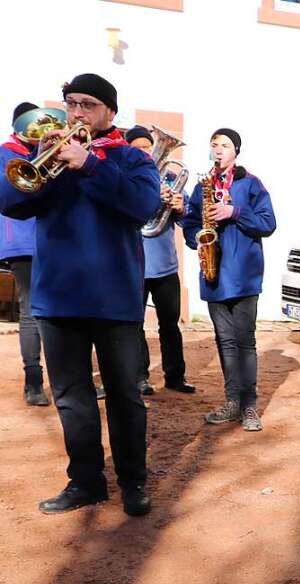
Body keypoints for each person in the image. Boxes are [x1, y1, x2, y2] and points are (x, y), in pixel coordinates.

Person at [1, 74, 160, 516]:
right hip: (57, 297)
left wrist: (89, 165)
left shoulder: (130, 157)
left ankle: (133, 482)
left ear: (110, 112)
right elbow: (11, 203)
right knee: (72, 398)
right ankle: (85, 482)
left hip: (115, 299)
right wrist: (39, 160)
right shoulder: (47, 156)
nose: (76, 113)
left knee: (125, 397)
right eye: (71, 103)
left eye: (88, 105)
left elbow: (143, 207)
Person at [182, 128, 277, 431]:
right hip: (213, 275)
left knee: (244, 341)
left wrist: (234, 211)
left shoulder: (251, 183)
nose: (219, 150)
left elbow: (268, 223)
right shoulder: (203, 185)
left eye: (225, 145)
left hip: (245, 275)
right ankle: (232, 401)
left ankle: (249, 406)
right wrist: (195, 236)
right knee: (225, 342)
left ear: (236, 150)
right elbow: (190, 222)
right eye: (214, 145)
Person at [125, 125, 195, 396]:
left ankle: (175, 376)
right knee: (135, 325)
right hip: (134, 262)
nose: (147, 151)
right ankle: (140, 377)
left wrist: (179, 207)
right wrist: (152, 198)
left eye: (148, 146)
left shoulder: (171, 175)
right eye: (139, 148)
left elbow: (184, 215)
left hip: (165, 263)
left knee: (170, 324)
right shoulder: (125, 179)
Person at [0, 101, 48, 406]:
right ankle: (33, 381)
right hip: (20, 240)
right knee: (31, 309)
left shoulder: (42, 149)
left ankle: (71, 378)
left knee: (61, 311)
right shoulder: (6, 152)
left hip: (52, 237)